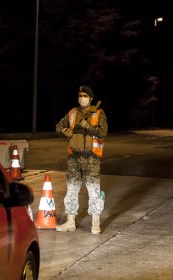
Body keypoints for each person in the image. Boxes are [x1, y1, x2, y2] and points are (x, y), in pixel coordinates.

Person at [55, 85, 108, 234]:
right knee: (72, 189)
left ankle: (95, 224)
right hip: (74, 157)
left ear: (90, 98)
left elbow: (103, 132)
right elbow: (59, 126)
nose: (81, 98)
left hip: (91, 158)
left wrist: (88, 126)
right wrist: (66, 131)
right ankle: (70, 222)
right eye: (80, 95)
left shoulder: (98, 113)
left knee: (93, 190)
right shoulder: (72, 113)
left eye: (85, 95)